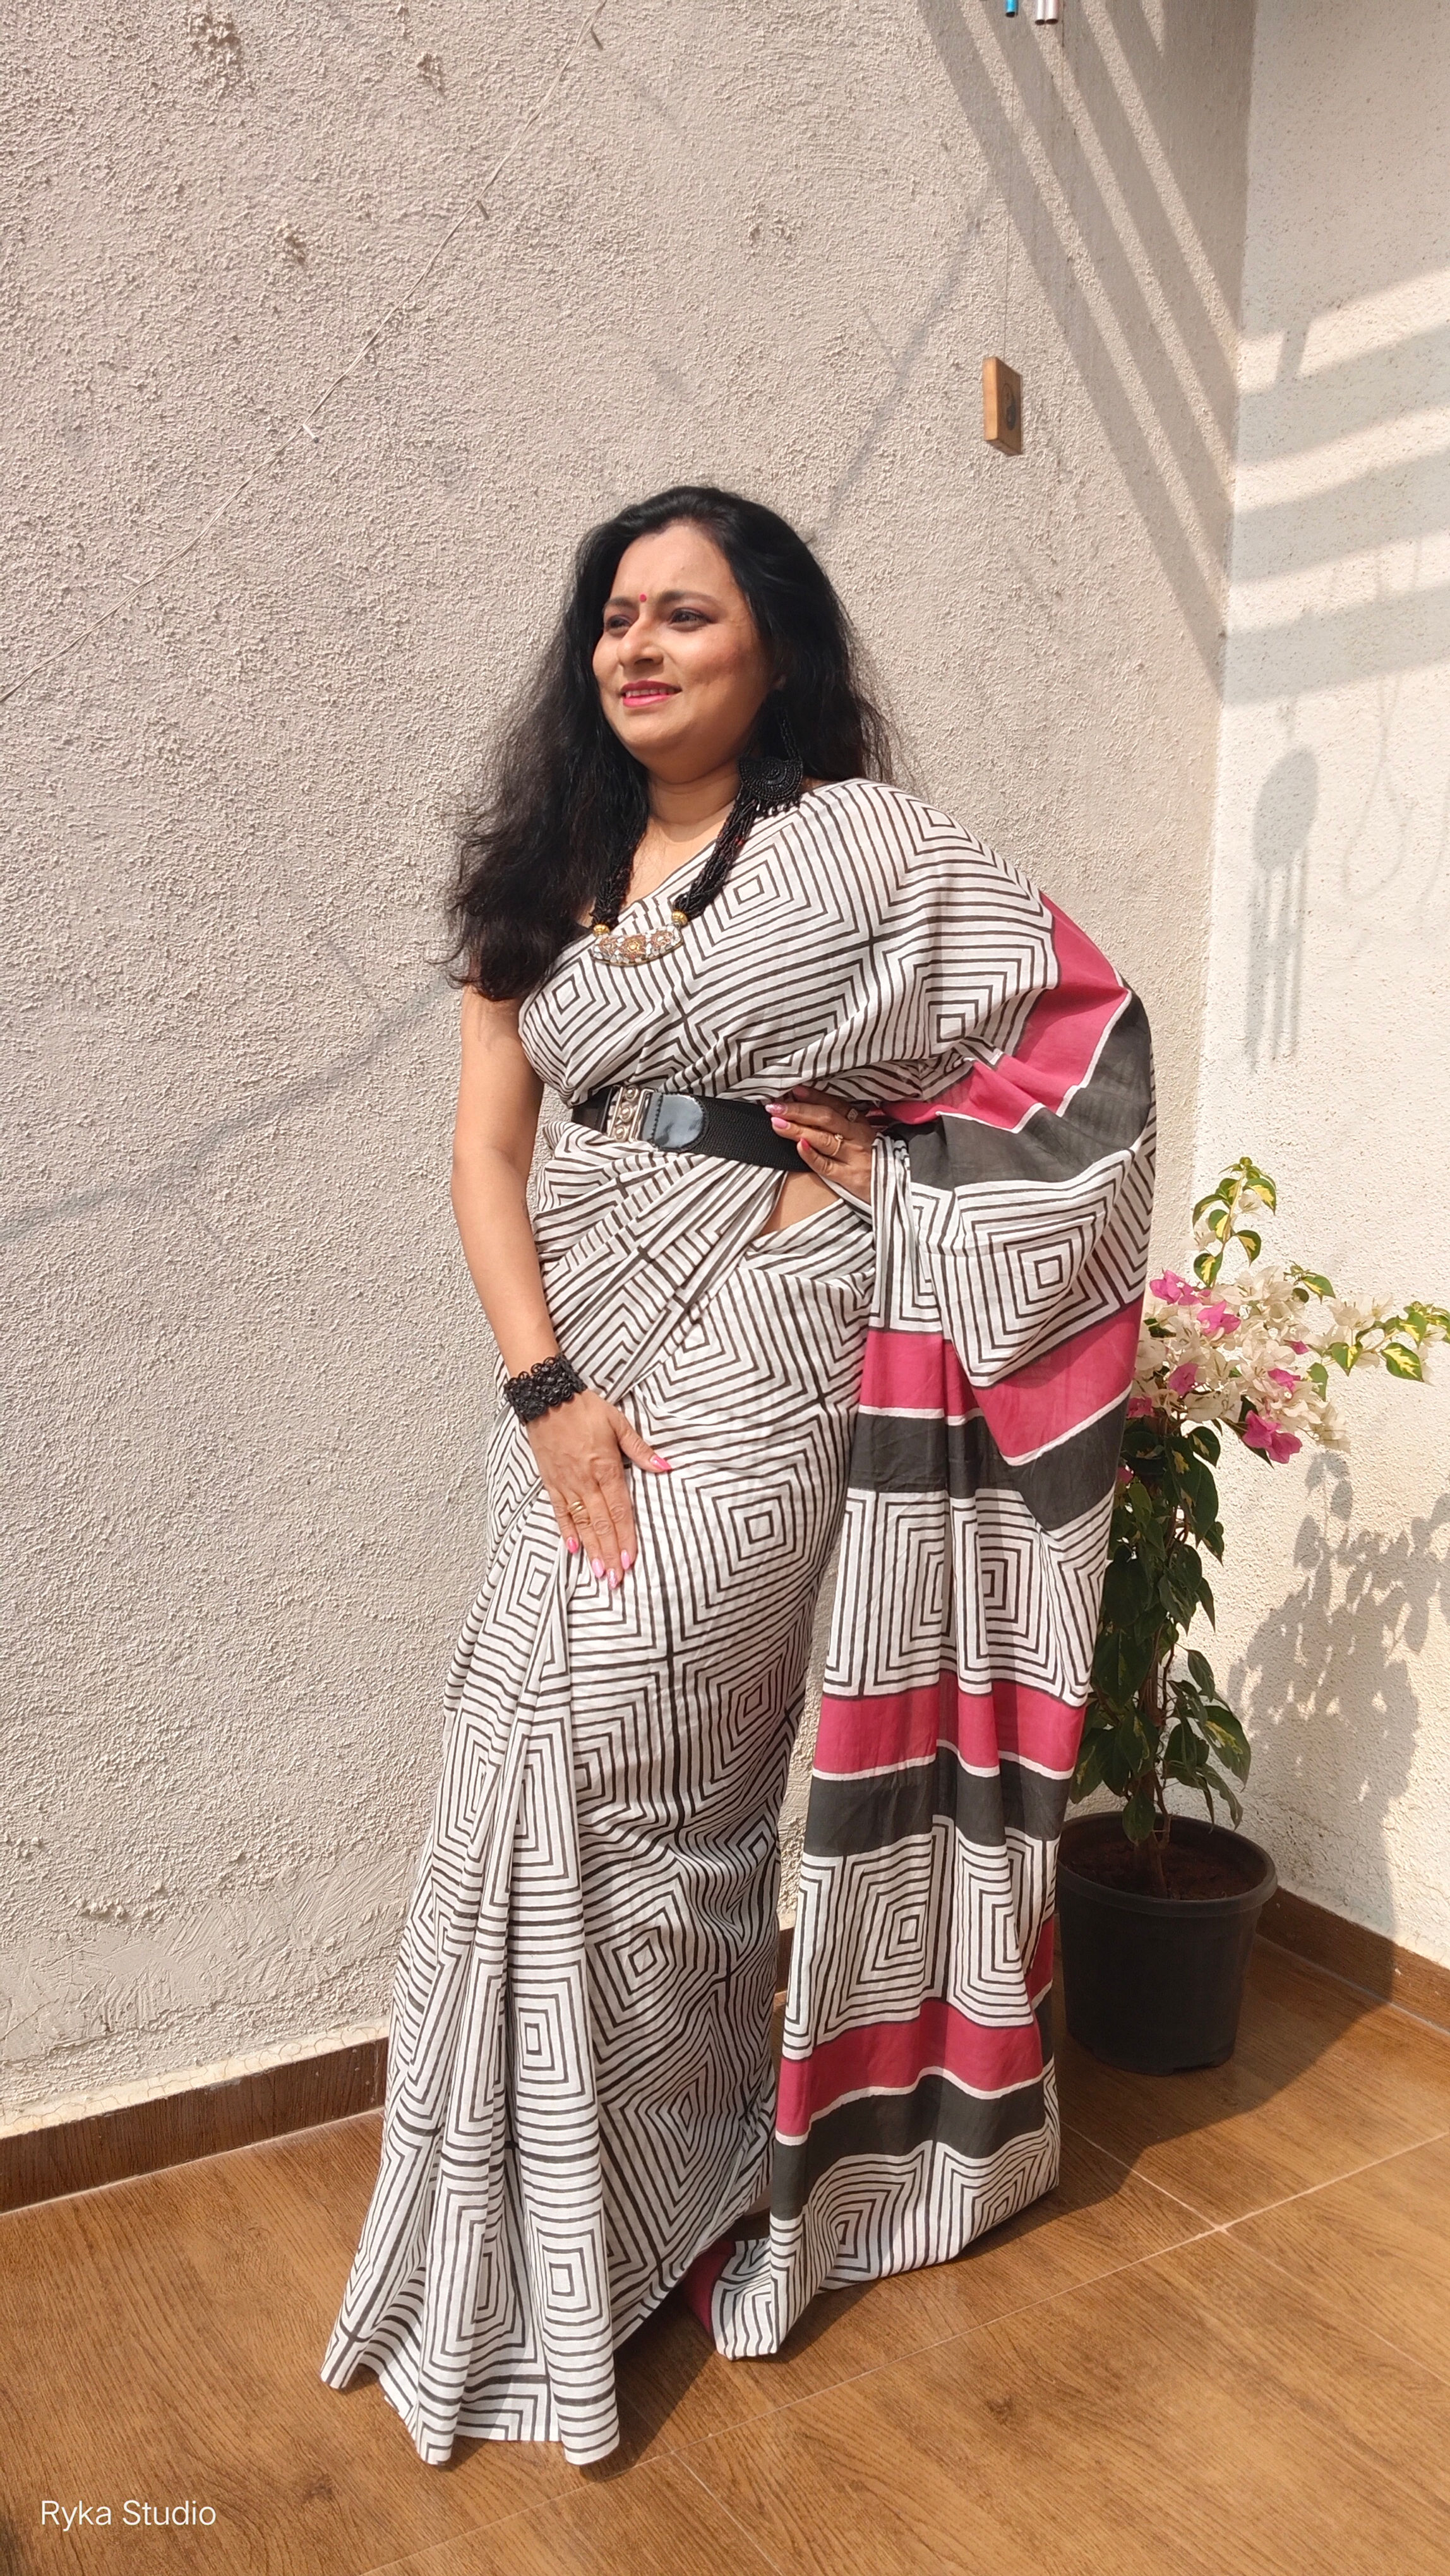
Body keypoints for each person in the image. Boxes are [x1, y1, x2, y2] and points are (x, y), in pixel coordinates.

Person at [320, 485, 1155, 2469]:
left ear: (772, 643)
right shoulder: (541, 869)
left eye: (685, 613)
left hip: (775, 1329)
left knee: (649, 1755)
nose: (638, 646)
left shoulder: (857, 849)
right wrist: (543, 1391)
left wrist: (911, 1175)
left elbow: (1086, 1044)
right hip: (580, 1359)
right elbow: (483, 1154)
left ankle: (677, 2190)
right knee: (519, 1758)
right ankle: (570, 2222)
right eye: (613, 614)